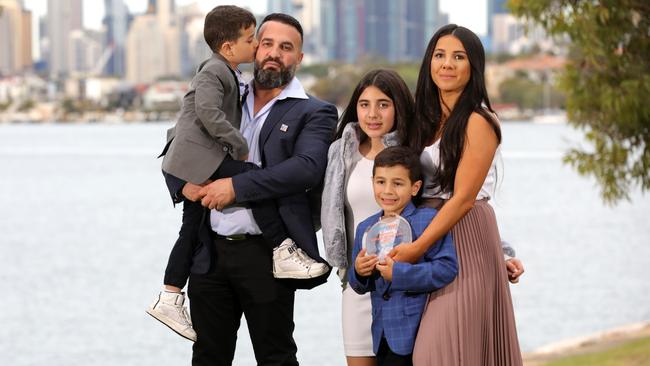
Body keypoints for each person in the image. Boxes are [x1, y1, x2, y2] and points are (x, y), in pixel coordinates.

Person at [165, 13, 338, 365]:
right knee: (208, 357)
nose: (275, 53)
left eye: (286, 47)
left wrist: (236, 187)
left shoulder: (315, 111)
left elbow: (305, 169)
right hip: (208, 251)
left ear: (299, 58)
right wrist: (183, 186)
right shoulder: (223, 93)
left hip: (268, 255)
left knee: (276, 357)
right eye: (268, 43)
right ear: (254, 47)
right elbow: (177, 143)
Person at [389, 24, 524, 365]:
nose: (447, 64)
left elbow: (465, 199)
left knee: (438, 354)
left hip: (463, 240)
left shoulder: (479, 121)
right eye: (439, 55)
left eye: (458, 57)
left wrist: (416, 248)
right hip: (427, 237)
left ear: (473, 67)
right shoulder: (422, 120)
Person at [322, 69, 416, 366]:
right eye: (364, 104)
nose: (372, 114)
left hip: (400, 285)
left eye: (383, 104)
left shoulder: (412, 154)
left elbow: (447, 205)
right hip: (357, 281)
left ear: (398, 107)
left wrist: (500, 252)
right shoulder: (342, 152)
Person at [348, 146, 458, 366]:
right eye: (380, 182)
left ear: (415, 187)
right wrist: (359, 272)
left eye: (397, 183)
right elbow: (359, 284)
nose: (387, 191)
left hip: (419, 331)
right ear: (372, 183)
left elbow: (446, 268)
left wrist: (398, 273)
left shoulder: (428, 221)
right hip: (382, 335)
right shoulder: (366, 228)